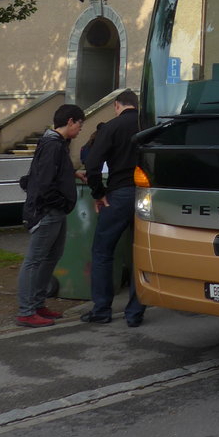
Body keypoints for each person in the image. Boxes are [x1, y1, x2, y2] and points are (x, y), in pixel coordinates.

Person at [81, 89, 146, 327]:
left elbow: (92, 164)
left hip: (118, 194)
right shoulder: (148, 126)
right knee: (139, 253)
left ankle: (101, 310)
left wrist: (99, 193)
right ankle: (135, 313)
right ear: (137, 106)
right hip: (147, 195)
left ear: (117, 105)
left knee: (102, 252)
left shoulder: (111, 127)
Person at [16, 104, 84, 328]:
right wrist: (61, 203)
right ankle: (26, 311)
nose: (80, 130)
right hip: (47, 211)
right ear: (71, 121)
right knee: (34, 260)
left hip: (55, 210)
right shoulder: (53, 145)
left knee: (51, 257)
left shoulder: (55, 144)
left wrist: (72, 173)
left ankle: (37, 304)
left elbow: (48, 172)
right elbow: (45, 182)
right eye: (80, 124)